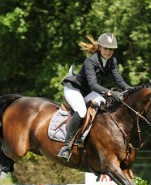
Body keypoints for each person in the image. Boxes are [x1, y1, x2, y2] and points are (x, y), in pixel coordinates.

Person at [57, 32, 133, 161]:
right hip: (74, 90)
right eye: (106, 48)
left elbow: (119, 81)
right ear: (100, 47)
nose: (108, 52)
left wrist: (132, 90)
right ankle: (66, 146)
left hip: (88, 92)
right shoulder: (90, 61)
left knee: (104, 105)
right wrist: (110, 92)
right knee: (81, 111)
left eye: (111, 49)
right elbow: (93, 84)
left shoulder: (112, 62)